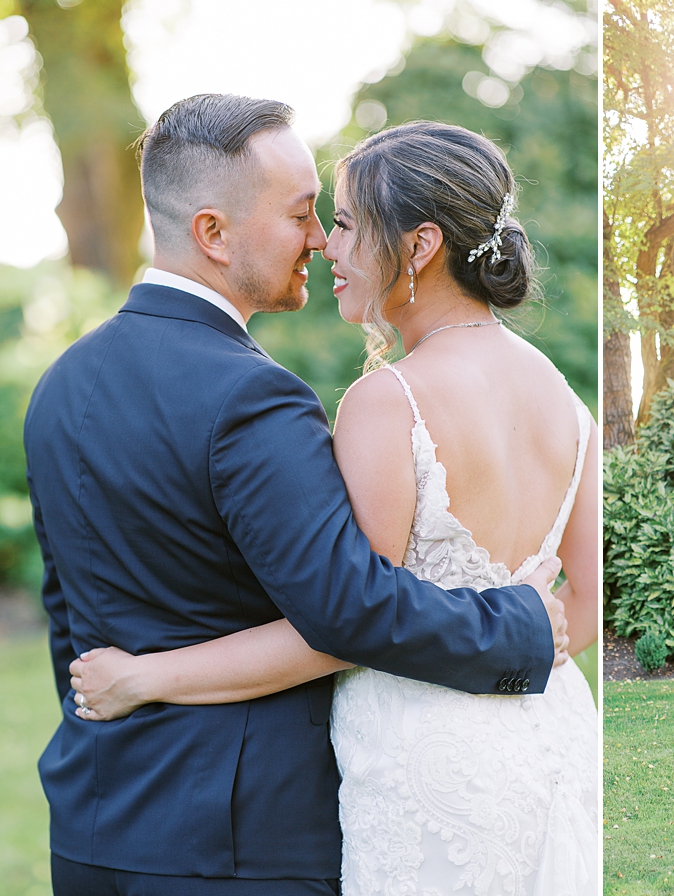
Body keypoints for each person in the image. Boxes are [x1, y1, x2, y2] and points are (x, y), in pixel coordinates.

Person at [25, 95, 571, 896]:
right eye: (301, 214)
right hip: (238, 841)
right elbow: (347, 608)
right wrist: (517, 622)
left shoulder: (60, 385)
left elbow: (73, 618)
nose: (320, 237)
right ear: (213, 233)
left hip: (93, 825)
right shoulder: (253, 397)